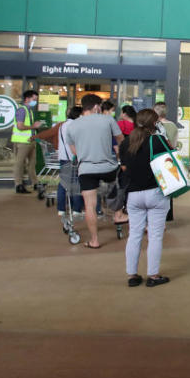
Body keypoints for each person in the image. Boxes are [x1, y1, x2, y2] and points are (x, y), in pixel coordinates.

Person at [119, 109, 171, 287]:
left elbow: (124, 167)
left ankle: (132, 276)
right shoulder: (157, 141)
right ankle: (153, 276)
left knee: (134, 235)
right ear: (154, 123)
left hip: (133, 195)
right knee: (155, 236)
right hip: (155, 192)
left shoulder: (126, 142)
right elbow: (172, 158)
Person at [64, 94, 123, 249]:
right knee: (119, 184)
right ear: (97, 106)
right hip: (108, 167)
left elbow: (73, 150)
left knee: (90, 205)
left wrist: (85, 154)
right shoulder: (108, 120)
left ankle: (94, 240)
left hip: (86, 169)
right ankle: (118, 214)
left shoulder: (72, 125)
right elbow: (120, 139)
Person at [12, 89, 41, 194]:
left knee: (32, 164)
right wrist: (33, 126)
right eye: (34, 99)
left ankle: (35, 183)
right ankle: (19, 184)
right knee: (20, 164)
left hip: (31, 141)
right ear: (27, 99)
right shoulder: (22, 110)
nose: (35, 101)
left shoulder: (29, 111)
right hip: (22, 142)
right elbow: (20, 126)